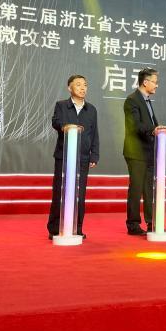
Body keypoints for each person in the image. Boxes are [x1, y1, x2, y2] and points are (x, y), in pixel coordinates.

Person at [48, 75, 99, 240]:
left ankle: (77, 228)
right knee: (59, 192)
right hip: (63, 156)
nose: (83, 88)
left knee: (79, 194)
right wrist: (65, 126)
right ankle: (55, 228)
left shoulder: (91, 109)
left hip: (83, 158)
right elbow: (55, 122)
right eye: (78, 85)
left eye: (85, 85)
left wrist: (94, 154)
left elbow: (94, 133)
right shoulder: (61, 105)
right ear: (69, 88)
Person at [123, 68, 163, 235]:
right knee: (136, 188)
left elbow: (150, 124)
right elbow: (135, 125)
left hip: (149, 151)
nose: (157, 85)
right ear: (145, 82)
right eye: (155, 82)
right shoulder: (132, 100)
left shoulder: (147, 100)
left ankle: (152, 223)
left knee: (149, 189)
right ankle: (133, 225)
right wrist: (153, 129)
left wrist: (158, 129)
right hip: (136, 151)